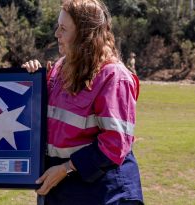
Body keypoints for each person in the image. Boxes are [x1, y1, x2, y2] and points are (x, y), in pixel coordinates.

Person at [22, 0, 143, 204]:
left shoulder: (114, 76)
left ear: (86, 35)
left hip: (103, 192)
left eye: (63, 29)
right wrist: (29, 81)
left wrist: (66, 168)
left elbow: (114, 145)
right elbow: (42, 120)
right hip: (61, 188)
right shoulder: (60, 68)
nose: (56, 34)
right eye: (57, 27)